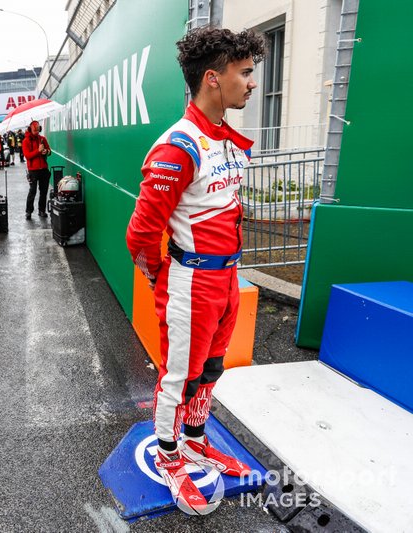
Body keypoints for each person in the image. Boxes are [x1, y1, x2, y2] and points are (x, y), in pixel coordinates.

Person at [125, 27, 265, 513]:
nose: (251, 83)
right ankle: (168, 455)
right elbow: (140, 236)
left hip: (227, 277)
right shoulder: (178, 147)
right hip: (191, 280)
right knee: (178, 375)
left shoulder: (225, 139)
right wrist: (162, 279)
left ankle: (195, 437)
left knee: (210, 368)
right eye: (244, 73)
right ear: (212, 78)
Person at [21, 120, 52, 220]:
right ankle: (29, 211)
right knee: (32, 191)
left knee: (43, 192)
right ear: (30, 130)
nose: (37, 132)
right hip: (33, 171)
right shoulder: (25, 141)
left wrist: (45, 151)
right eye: (35, 131)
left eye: (38, 130)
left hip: (43, 169)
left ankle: (41, 210)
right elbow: (27, 156)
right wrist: (38, 151)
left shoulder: (42, 139)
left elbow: (49, 151)